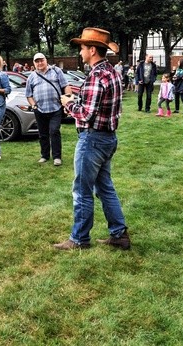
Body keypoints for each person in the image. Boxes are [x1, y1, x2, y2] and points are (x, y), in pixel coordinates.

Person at [55, 27, 130, 251]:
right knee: (105, 187)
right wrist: (76, 98)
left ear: (93, 50)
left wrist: (68, 103)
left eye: (82, 48)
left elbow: (86, 114)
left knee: (82, 190)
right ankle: (119, 234)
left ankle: (79, 239)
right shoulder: (112, 72)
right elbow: (99, 105)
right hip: (108, 139)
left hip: (92, 140)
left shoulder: (97, 75)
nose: (80, 52)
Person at [25, 52, 70, 166]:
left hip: (56, 108)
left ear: (46, 60)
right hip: (39, 110)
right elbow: (29, 95)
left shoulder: (56, 71)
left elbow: (66, 86)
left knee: (54, 131)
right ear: (34, 63)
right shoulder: (31, 77)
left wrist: (67, 100)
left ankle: (57, 157)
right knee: (42, 134)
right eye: (37, 61)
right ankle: (44, 155)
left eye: (41, 60)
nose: (40, 63)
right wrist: (34, 105)